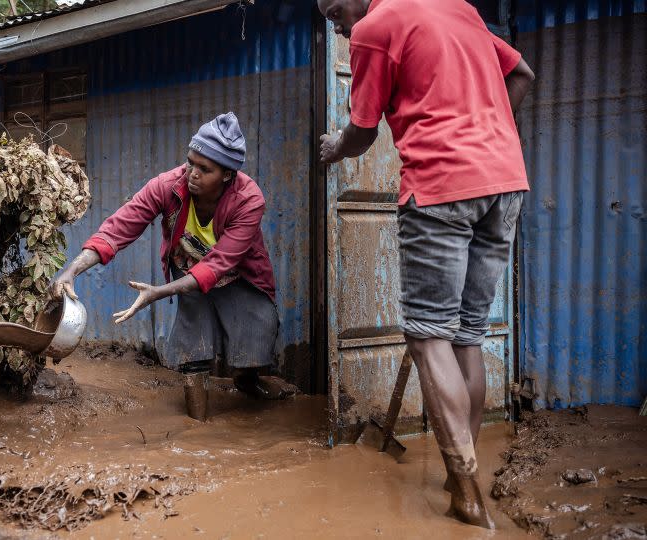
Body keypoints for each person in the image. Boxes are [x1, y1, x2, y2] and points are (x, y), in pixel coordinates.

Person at [316, 0, 535, 529]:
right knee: (467, 336)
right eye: (331, 22)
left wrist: (335, 147)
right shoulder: (456, 7)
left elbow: (364, 130)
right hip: (505, 183)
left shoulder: (375, 28)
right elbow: (522, 73)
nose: (341, 29)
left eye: (336, 12)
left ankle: (467, 492)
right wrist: (488, 132)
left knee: (427, 337)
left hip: (441, 188)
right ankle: (462, 471)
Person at [50, 112, 291, 420]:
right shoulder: (167, 185)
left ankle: (248, 380)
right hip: (186, 266)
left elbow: (220, 263)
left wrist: (158, 292)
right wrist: (74, 267)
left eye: (205, 169)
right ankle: (198, 425)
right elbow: (121, 226)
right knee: (194, 344)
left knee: (257, 335)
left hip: (237, 274)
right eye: (190, 162)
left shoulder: (248, 199)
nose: (192, 173)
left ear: (227, 175)